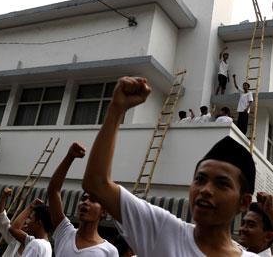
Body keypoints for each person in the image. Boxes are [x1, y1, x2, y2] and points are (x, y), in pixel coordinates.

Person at [83, 76, 259, 257]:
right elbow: (96, 183)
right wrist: (116, 109)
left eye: (222, 184)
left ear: (244, 202)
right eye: (200, 179)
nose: (205, 190)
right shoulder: (163, 232)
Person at [48, 142, 119, 256]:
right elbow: (53, 191)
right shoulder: (65, 232)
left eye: (93, 200)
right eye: (83, 198)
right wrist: (69, 157)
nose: (85, 202)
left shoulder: (109, 251)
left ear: (104, 212)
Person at [0, 188, 52, 257]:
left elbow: (13, 228)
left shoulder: (36, 244)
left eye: (31, 219)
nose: (28, 223)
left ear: (39, 223)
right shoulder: (24, 241)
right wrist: (3, 197)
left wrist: (31, 207)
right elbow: (3, 220)